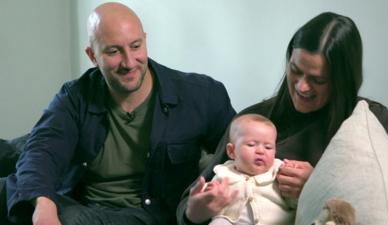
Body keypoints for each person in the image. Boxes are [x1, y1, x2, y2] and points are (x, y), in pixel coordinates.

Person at [3, 2, 235, 225]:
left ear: (145, 40)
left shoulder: (201, 95)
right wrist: (43, 207)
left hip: (144, 213)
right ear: (92, 56)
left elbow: (241, 151)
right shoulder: (75, 95)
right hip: (78, 198)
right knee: (13, 183)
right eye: (114, 51)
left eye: (135, 46)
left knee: (67, 216)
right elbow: (42, 150)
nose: (129, 62)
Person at [177, 12, 388, 225]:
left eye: (318, 80)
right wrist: (195, 211)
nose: (302, 86)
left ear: (342, 80)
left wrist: (317, 186)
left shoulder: (370, 120)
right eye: (295, 70)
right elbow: (189, 204)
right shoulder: (254, 121)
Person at [206, 114, 296, 225]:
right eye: (251, 144)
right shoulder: (224, 173)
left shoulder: (279, 171)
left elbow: (296, 203)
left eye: (268, 147)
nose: (260, 151)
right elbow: (208, 201)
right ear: (231, 151)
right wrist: (209, 194)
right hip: (233, 222)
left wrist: (294, 194)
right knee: (219, 222)